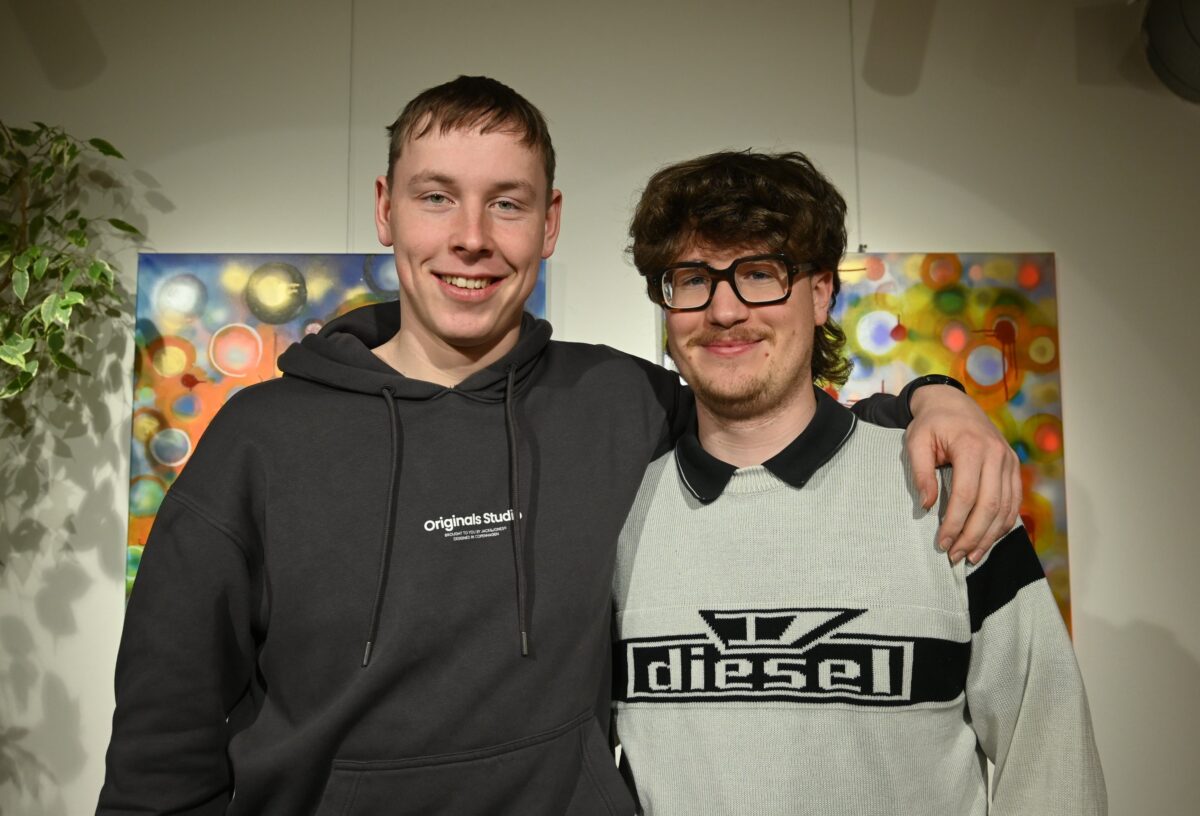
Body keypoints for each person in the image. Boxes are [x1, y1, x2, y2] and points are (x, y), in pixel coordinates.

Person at [98, 77, 1019, 815]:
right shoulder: (262, 438)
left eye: (507, 204)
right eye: (436, 198)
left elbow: (769, 406)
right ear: (387, 210)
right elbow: (161, 739)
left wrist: (935, 399)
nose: (470, 238)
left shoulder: (619, 400)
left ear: (550, 222)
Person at [612, 149, 1106, 815]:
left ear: (820, 294)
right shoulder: (617, 515)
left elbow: (1049, 754)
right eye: (693, 278)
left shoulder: (946, 493)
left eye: (759, 274)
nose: (724, 310)